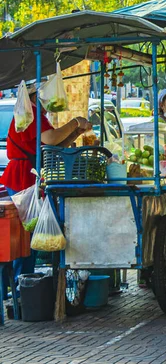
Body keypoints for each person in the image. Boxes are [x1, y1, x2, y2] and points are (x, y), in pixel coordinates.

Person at [1, 83, 92, 292]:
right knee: (26, 236)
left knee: (30, 236)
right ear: (35, 96)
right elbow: (50, 138)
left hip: (30, 176)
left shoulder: (35, 113)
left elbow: (55, 145)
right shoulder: (29, 112)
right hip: (22, 178)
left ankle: (24, 282)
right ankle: (19, 284)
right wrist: (75, 122)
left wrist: (75, 132)